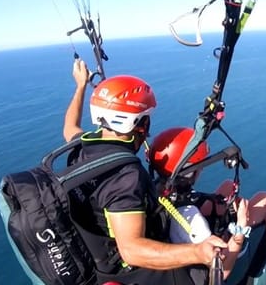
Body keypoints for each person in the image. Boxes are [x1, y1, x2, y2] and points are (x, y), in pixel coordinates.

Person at [62, 59, 227, 285]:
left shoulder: (82, 148)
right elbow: (132, 250)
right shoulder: (126, 177)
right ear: (139, 123)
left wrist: (80, 86)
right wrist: (198, 252)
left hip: (96, 253)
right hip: (128, 273)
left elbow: (69, 128)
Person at [147, 127, 266, 279]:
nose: (201, 169)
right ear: (188, 172)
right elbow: (222, 272)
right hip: (226, 263)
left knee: (227, 187)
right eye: (199, 166)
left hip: (181, 239)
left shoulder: (161, 192)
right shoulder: (193, 221)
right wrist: (241, 226)